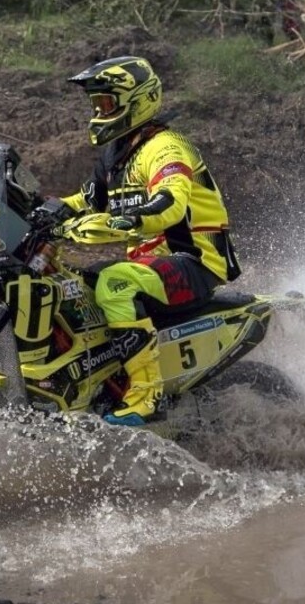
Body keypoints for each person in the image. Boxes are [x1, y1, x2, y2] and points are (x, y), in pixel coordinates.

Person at [36, 56, 242, 426]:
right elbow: (85, 200)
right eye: (96, 103)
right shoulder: (117, 154)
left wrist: (121, 221)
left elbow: (170, 201)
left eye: (106, 103)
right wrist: (36, 209)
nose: (99, 111)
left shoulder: (167, 147)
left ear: (137, 99)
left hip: (193, 263)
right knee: (73, 288)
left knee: (115, 283)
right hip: (151, 266)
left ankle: (146, 396)